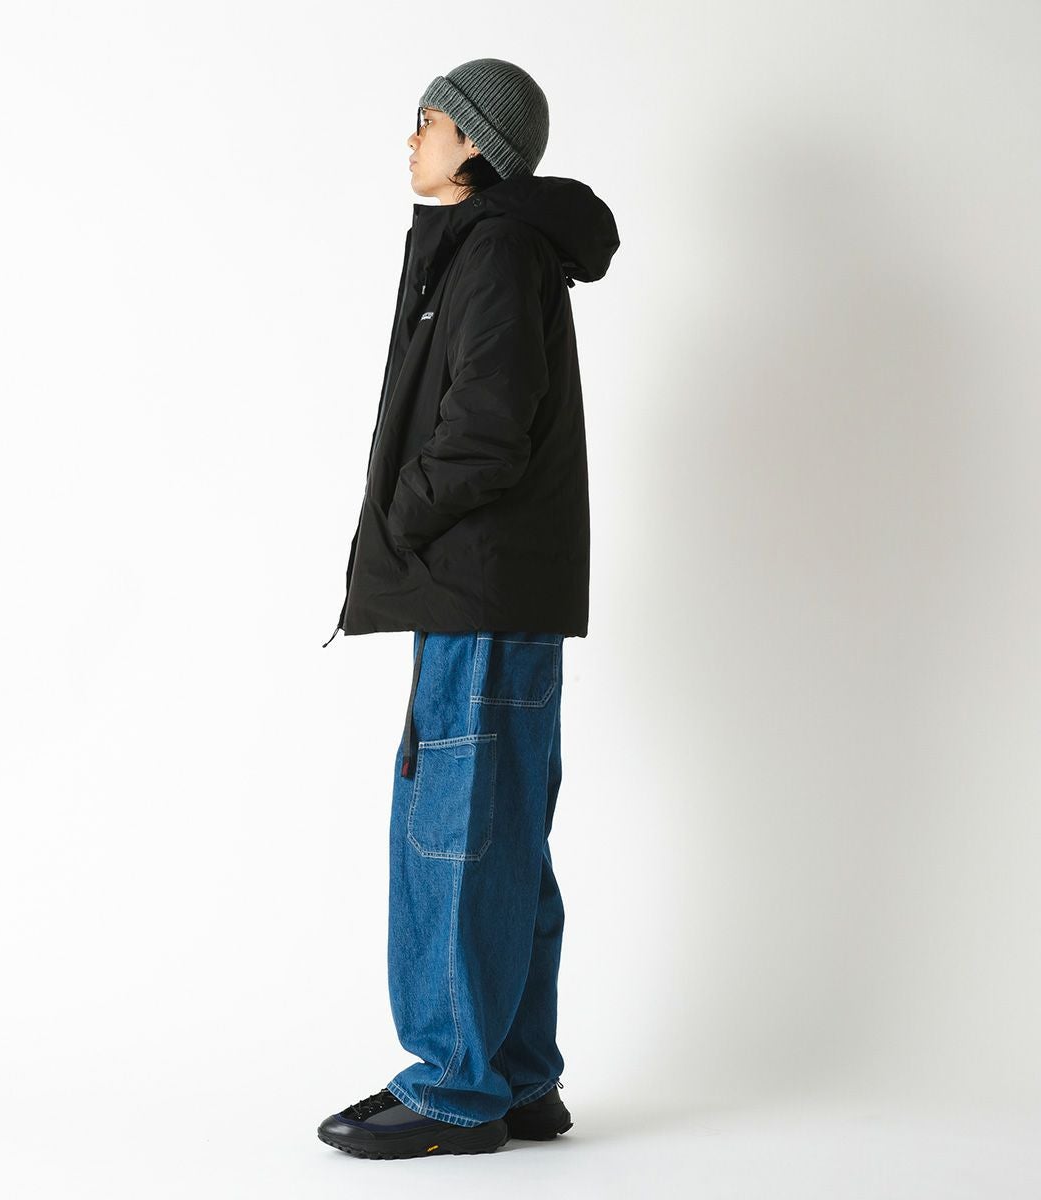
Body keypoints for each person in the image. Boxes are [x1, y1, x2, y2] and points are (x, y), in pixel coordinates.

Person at [317, 57, 620, 1159]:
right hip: (501, 587)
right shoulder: (500, 246)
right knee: (503, 837)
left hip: (479, 589)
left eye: (431, 122)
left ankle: (455, 1088)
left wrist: (401, 516)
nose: (413, 140)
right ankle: (518, 1077)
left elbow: (484, 431)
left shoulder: (492, 248)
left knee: (453, 835)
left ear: (477, 145)